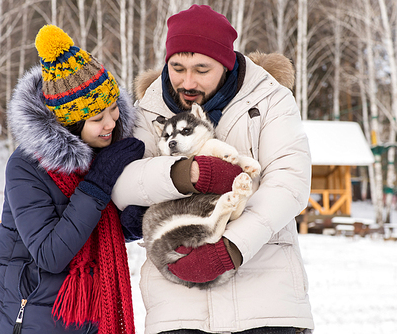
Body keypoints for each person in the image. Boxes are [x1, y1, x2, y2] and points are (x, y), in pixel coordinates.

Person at [111, 4, 314, 334]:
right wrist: (186, 174)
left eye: (201, 69)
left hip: (266, 299)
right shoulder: (149, 109)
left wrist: (231, 248)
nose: (187, 81)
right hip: (178, 300)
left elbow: (289, 183)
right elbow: (122, 182)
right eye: (177, 68)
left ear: (226, 63)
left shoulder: (271, 100)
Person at [0, 25, 145, 334]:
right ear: (69, 123)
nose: (111, 123)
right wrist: (97, 186)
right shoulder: (26, 165)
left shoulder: (102, 152)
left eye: (113, 110)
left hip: (90, 317)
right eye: (97, 118)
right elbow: (50, 254)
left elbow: (94, 231)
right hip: (31, 318)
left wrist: (129, 222)